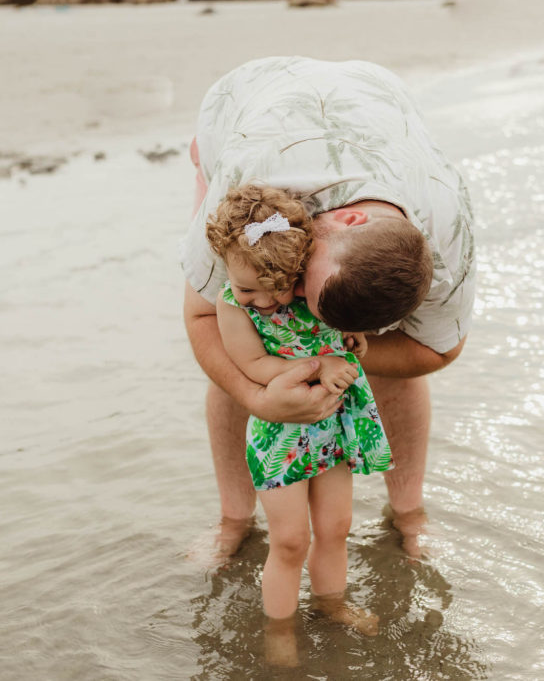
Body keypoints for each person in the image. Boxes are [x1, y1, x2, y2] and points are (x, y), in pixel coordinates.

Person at [181, 56, 476, 558]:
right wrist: (259, 395)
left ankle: (409, 513)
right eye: (304, 285)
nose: (287, 302)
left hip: (380, 108)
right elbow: (203, 315)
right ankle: (233, 518)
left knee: (392, 360)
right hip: (247, 103)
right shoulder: (252, 191)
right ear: (348, 219)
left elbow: (438, 351)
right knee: (245, 326)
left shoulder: (446, 230)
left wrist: (340, 355)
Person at [208, 183, 391, 663]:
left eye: (276, 290)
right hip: (280, 435)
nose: (263, 303)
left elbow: (347, 336)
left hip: (331, 426)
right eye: (249, 289)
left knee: (336, 526)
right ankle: (280, 629)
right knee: (290, 540)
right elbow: (255, 366)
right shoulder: (232, 305)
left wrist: (352, 350)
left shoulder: (318, 293)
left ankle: (331, 603)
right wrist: (318, 367)